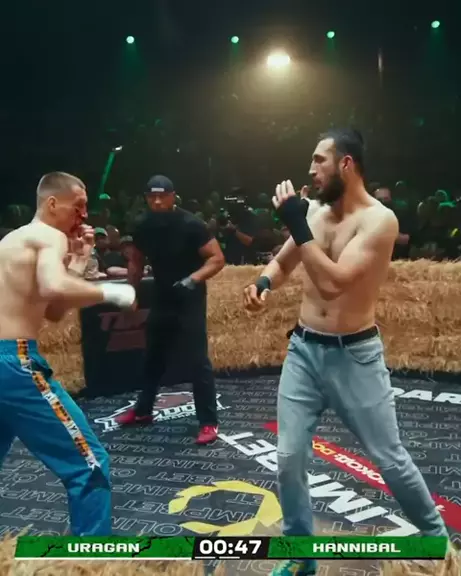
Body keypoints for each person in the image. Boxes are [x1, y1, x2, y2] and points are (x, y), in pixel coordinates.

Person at [243, 129, 448, 576]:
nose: (311, 170)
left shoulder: (379, 220)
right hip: (304, 351)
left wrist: (296, 223)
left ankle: (438, 544)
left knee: (389, 458)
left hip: (354, 356)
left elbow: (334, 281)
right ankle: (301, 554)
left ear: (346, 164)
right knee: (288, 458)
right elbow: (284, 261)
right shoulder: (314, 212)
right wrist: (263, 283)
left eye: (319, 160)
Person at [0, 172, 136, 536]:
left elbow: (53, 311)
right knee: (90, 465)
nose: (84, 215)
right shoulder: (49, 235)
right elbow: (53, 286)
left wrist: (79, 261)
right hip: (13, 362)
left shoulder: (15, 239)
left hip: (4, 362)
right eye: (78, 206)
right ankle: (91, 560)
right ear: (52, 203)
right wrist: (113, 292)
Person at [116, 175, 225, 444]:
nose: (157, 201)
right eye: (152, 197)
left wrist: (193, 279)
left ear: (172, 196)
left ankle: (208, 422)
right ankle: (143, 411)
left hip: (189, 298)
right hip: (162, 296)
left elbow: (217, 258)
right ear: (146, 198)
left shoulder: (191, 224)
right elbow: (136, 262)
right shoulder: (142, 224)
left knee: (197, 361)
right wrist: (130, 293)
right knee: (153, 357)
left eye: (162, 196)